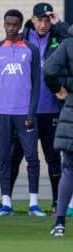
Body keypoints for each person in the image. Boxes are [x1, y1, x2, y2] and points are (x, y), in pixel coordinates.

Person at [0, 9, 44, 216]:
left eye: (15, 25)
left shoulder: (31, 49)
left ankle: (33, 203)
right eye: (8, 24)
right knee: (4, 157)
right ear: (4, 25)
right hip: (2, 113)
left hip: (24, 114)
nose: (11, 28)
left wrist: (32, 113)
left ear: (21, 25)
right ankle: (6, 203)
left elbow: (36, 85)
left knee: (32, 157)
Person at [10, 3, 67, 213]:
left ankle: (56, 202)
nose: (43, 24)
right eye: (39, 20)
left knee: (53, 159)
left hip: (52, 109)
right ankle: (6, 201)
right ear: (32, 20)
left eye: (47, 20)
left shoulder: (59, 38)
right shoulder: (23, 39)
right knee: (15, 156)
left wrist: (59, 24)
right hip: (26, 111)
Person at [44, 23, 73, 237]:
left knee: (69, 169)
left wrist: (60, 89)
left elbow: (49, 69)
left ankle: (60, 223)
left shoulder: (68, 44)